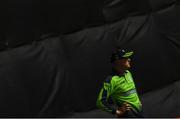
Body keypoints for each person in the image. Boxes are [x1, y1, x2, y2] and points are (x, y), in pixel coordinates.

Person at [96, 49, 143, 117]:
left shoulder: (128, 73)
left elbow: (132, 91)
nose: (129, 59)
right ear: (118, 61)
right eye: (126, 58)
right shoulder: (111, 80)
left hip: (139, 112)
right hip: (128, 115)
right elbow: (100, 102)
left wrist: (138, 102)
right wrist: (117, 111)